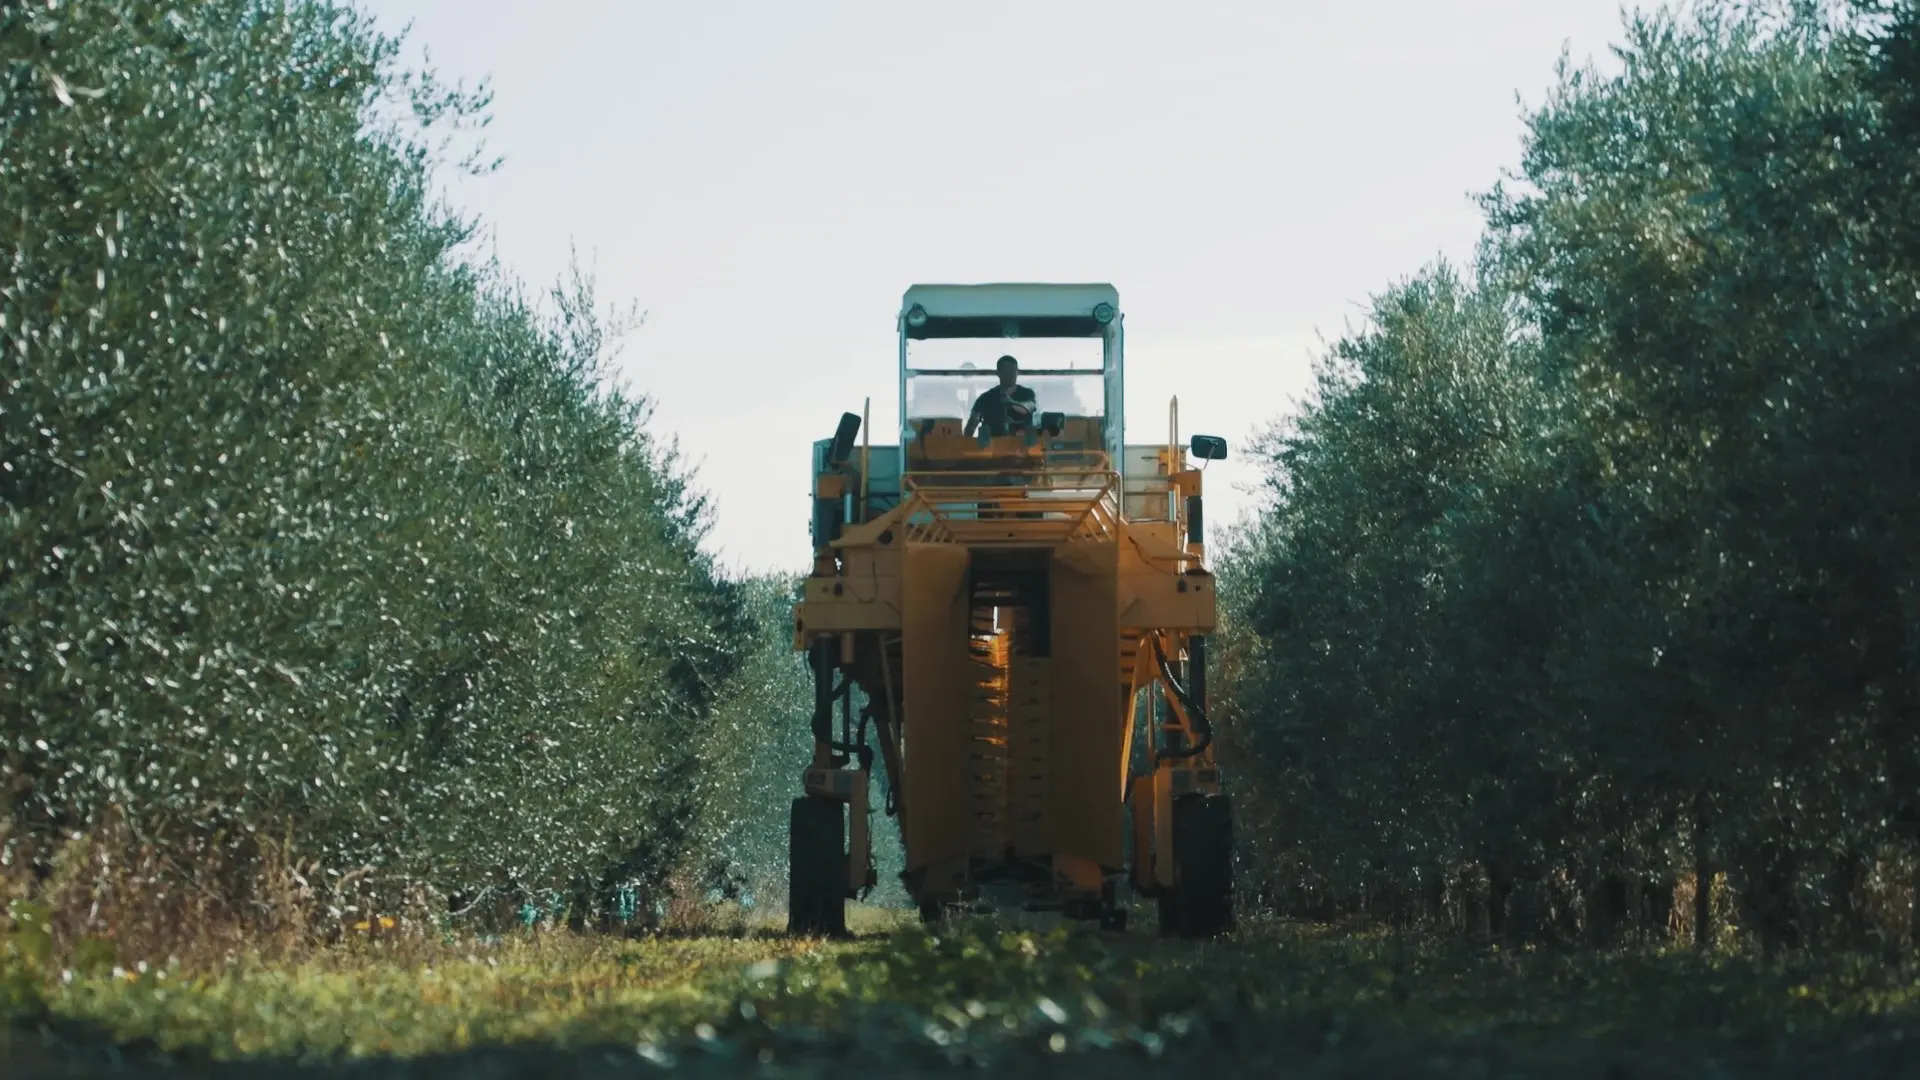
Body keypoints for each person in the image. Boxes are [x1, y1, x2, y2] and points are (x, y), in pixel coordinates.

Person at [964, 355, 1038, 437]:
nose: (1011, 375)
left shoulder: (1027, 393)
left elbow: (1028, 408)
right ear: (998, 373)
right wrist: (966, 443)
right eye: (1007, 371)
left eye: (1013, 371)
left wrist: (1011, 403)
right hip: (993, 446)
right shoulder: (986, 398)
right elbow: (972, 424)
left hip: (1023, 446)